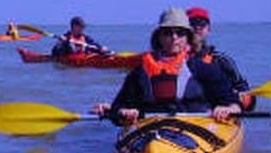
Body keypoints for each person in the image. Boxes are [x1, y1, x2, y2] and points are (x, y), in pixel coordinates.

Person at [92, 8, 242, 125]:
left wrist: (229, 108)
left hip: (197, 124)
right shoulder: (140, 71)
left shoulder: (203, 69)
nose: (174, 38)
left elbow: (232, 102)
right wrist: (123, 112)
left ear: (187, 38)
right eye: (167, 33)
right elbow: (119, 107)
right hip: (153, 128)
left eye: (180, 33)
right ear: (159, 37)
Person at [187, 7, 255, 109]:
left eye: (202, 24)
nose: (197, 27)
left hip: (218, 116)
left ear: (208, 30)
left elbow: (245, 93)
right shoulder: (177, 61)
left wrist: (234, 106)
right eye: (192, 23)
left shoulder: (221, 60)